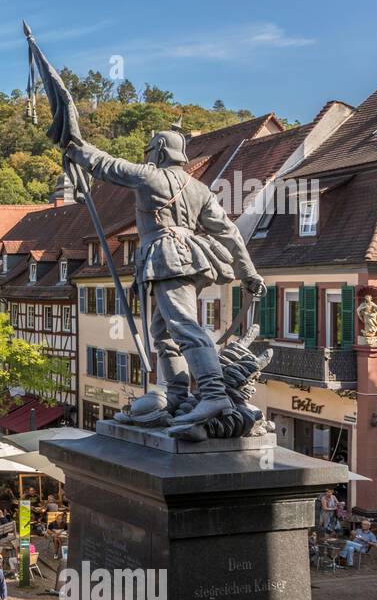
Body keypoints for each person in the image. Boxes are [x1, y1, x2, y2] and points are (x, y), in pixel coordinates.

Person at [64, 127, 265, 428]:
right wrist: (248, 272)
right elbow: (230, 233)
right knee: (163, 331)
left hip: (168, 258)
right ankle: (177, 395)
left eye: (148, 151)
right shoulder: (199, 189)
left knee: (183, 325)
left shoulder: (151, 176)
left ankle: (212, 393)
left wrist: (76, 149)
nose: (146, 156)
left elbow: (108, 166)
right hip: (189, 259)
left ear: (158, 151)